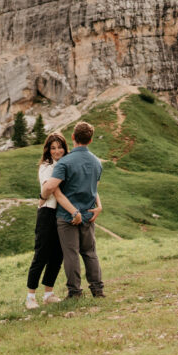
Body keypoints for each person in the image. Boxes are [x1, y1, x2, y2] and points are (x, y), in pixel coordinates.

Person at [41, 121, 104, 299]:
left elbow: (50, 187)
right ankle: (97, 289)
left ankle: (75, 292)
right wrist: (99, 206)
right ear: (90, 140)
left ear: (73, 137)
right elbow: (94, 188)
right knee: (90, 252)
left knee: (71, 254)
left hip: (67, 216)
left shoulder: (64, 162)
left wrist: (42, 196)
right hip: (88, 214)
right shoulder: (97, 162)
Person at [23, 132, 76, 309]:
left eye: (60, 147)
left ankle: (48, 294)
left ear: (65, 148)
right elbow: (48, 188)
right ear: (48, 150)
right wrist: (42, 197)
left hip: (61, 213)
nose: (57, 151)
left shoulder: (67, 163)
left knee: (58, 254)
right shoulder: (46, 166)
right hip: (47, 212)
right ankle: (30, 296)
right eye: (53, 148)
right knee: (41, 254)